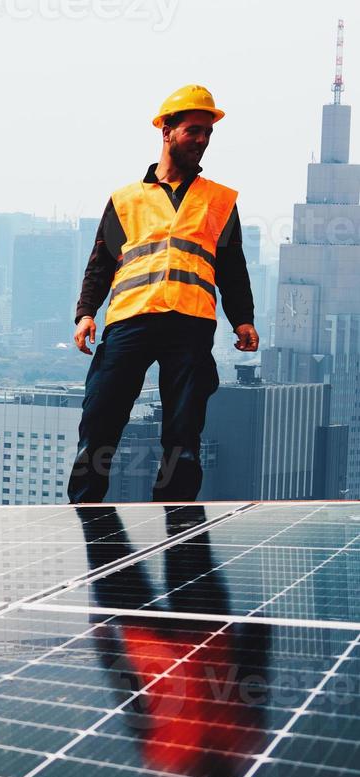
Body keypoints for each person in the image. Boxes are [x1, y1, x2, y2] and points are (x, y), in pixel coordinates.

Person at [70, 85, 259, 504]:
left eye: (208, 133)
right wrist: (86, 313)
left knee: (183, 434)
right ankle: (82, 509)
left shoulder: (219, 201)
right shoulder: (126, 199)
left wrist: (243, 318)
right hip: (130, 320)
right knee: (100, 420)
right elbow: (101, 262)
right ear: (167, 130)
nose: (202, 140)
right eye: (194, 130)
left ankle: (175, 521)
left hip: (190, 325)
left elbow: (232, 266)